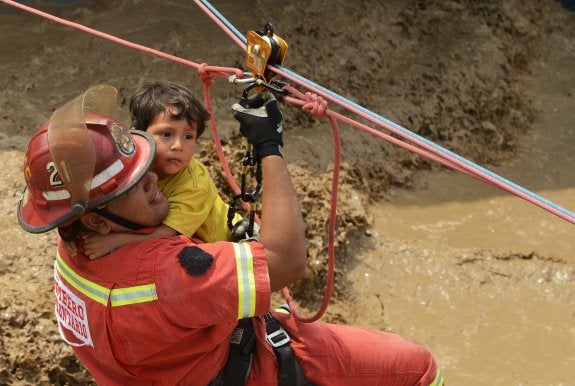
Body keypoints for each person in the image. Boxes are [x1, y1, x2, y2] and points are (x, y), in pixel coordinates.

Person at [17, 84, 444, 385]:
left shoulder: (73, 241)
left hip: (147, 369)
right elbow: (289, 259)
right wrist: (268, 146)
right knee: (418, 366)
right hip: (240, 369)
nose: (151, 178)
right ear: (94, 219)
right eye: (134, 185)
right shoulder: (169, 274)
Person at [63, 81, 243, 259]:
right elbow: (95, 187)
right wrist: (68, 230)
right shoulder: (130, 158)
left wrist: (115, 240)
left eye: (189, 136)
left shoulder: (194, 185)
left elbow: (167, 233)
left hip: (227, 241)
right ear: (138, 135)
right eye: (166, 134)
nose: (178, 145)